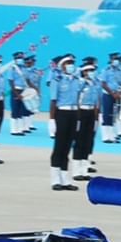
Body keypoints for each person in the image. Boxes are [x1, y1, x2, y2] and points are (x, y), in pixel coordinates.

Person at [48, 54, 83, 191]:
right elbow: (53, 101)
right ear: (61, 66)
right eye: (68, 63)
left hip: (73, 113)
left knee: (68, 146)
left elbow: (78, 100)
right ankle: (55, 179)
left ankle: (65, 179)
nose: (70, 65)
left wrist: (79, 118)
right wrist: (52, 120)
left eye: (72, 63)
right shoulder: (57, 80)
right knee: (59, 147)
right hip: (61, 113)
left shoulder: (76, 80)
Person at [73, 57, 101, 181]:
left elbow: (97, 101)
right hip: (81, 113)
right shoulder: (79, 83)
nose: (91, 72)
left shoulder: (95, 83)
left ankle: (84, 170)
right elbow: (76, 98)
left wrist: (96, 116)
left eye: (93, 70)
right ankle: (76, 171)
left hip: (91, 113)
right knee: (79, 141)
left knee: (88, 141)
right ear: (84, 72)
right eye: (89, 70)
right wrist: (77, 117)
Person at [99, 53, 121, 143]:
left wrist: (120, 92)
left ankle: (112, 135)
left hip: (117, 95)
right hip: (108, 94)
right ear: (111, 60)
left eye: (117, 59)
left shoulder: (120, 70)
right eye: (114, 59)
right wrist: (112, 93)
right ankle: (106, 136)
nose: (116, 60)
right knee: (107, 114)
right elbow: (103, 84)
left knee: (114, 115)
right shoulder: (106, 70)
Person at [5, 51, 29, 136]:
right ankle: (14, 130)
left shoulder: (24, 68)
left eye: (21, 58)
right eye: (18, 58)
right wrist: (16, 93)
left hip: (24, 90)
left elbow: (27, 80)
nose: (20, 60)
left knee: (21, 110)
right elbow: (10, 81)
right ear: (15, 59)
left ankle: (20, 129)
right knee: (15, 110)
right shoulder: (12, 68)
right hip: (16, 90)